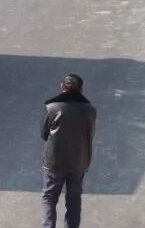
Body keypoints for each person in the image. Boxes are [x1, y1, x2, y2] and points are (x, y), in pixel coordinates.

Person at [40, 74, 97, 228]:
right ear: (81, 90)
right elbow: (91, 135)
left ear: (62, 87)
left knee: (49, 198)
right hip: (78, 162)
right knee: (74, 201)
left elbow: (44, 134)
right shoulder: (90, 110)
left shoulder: (52, 107)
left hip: (54, 161)